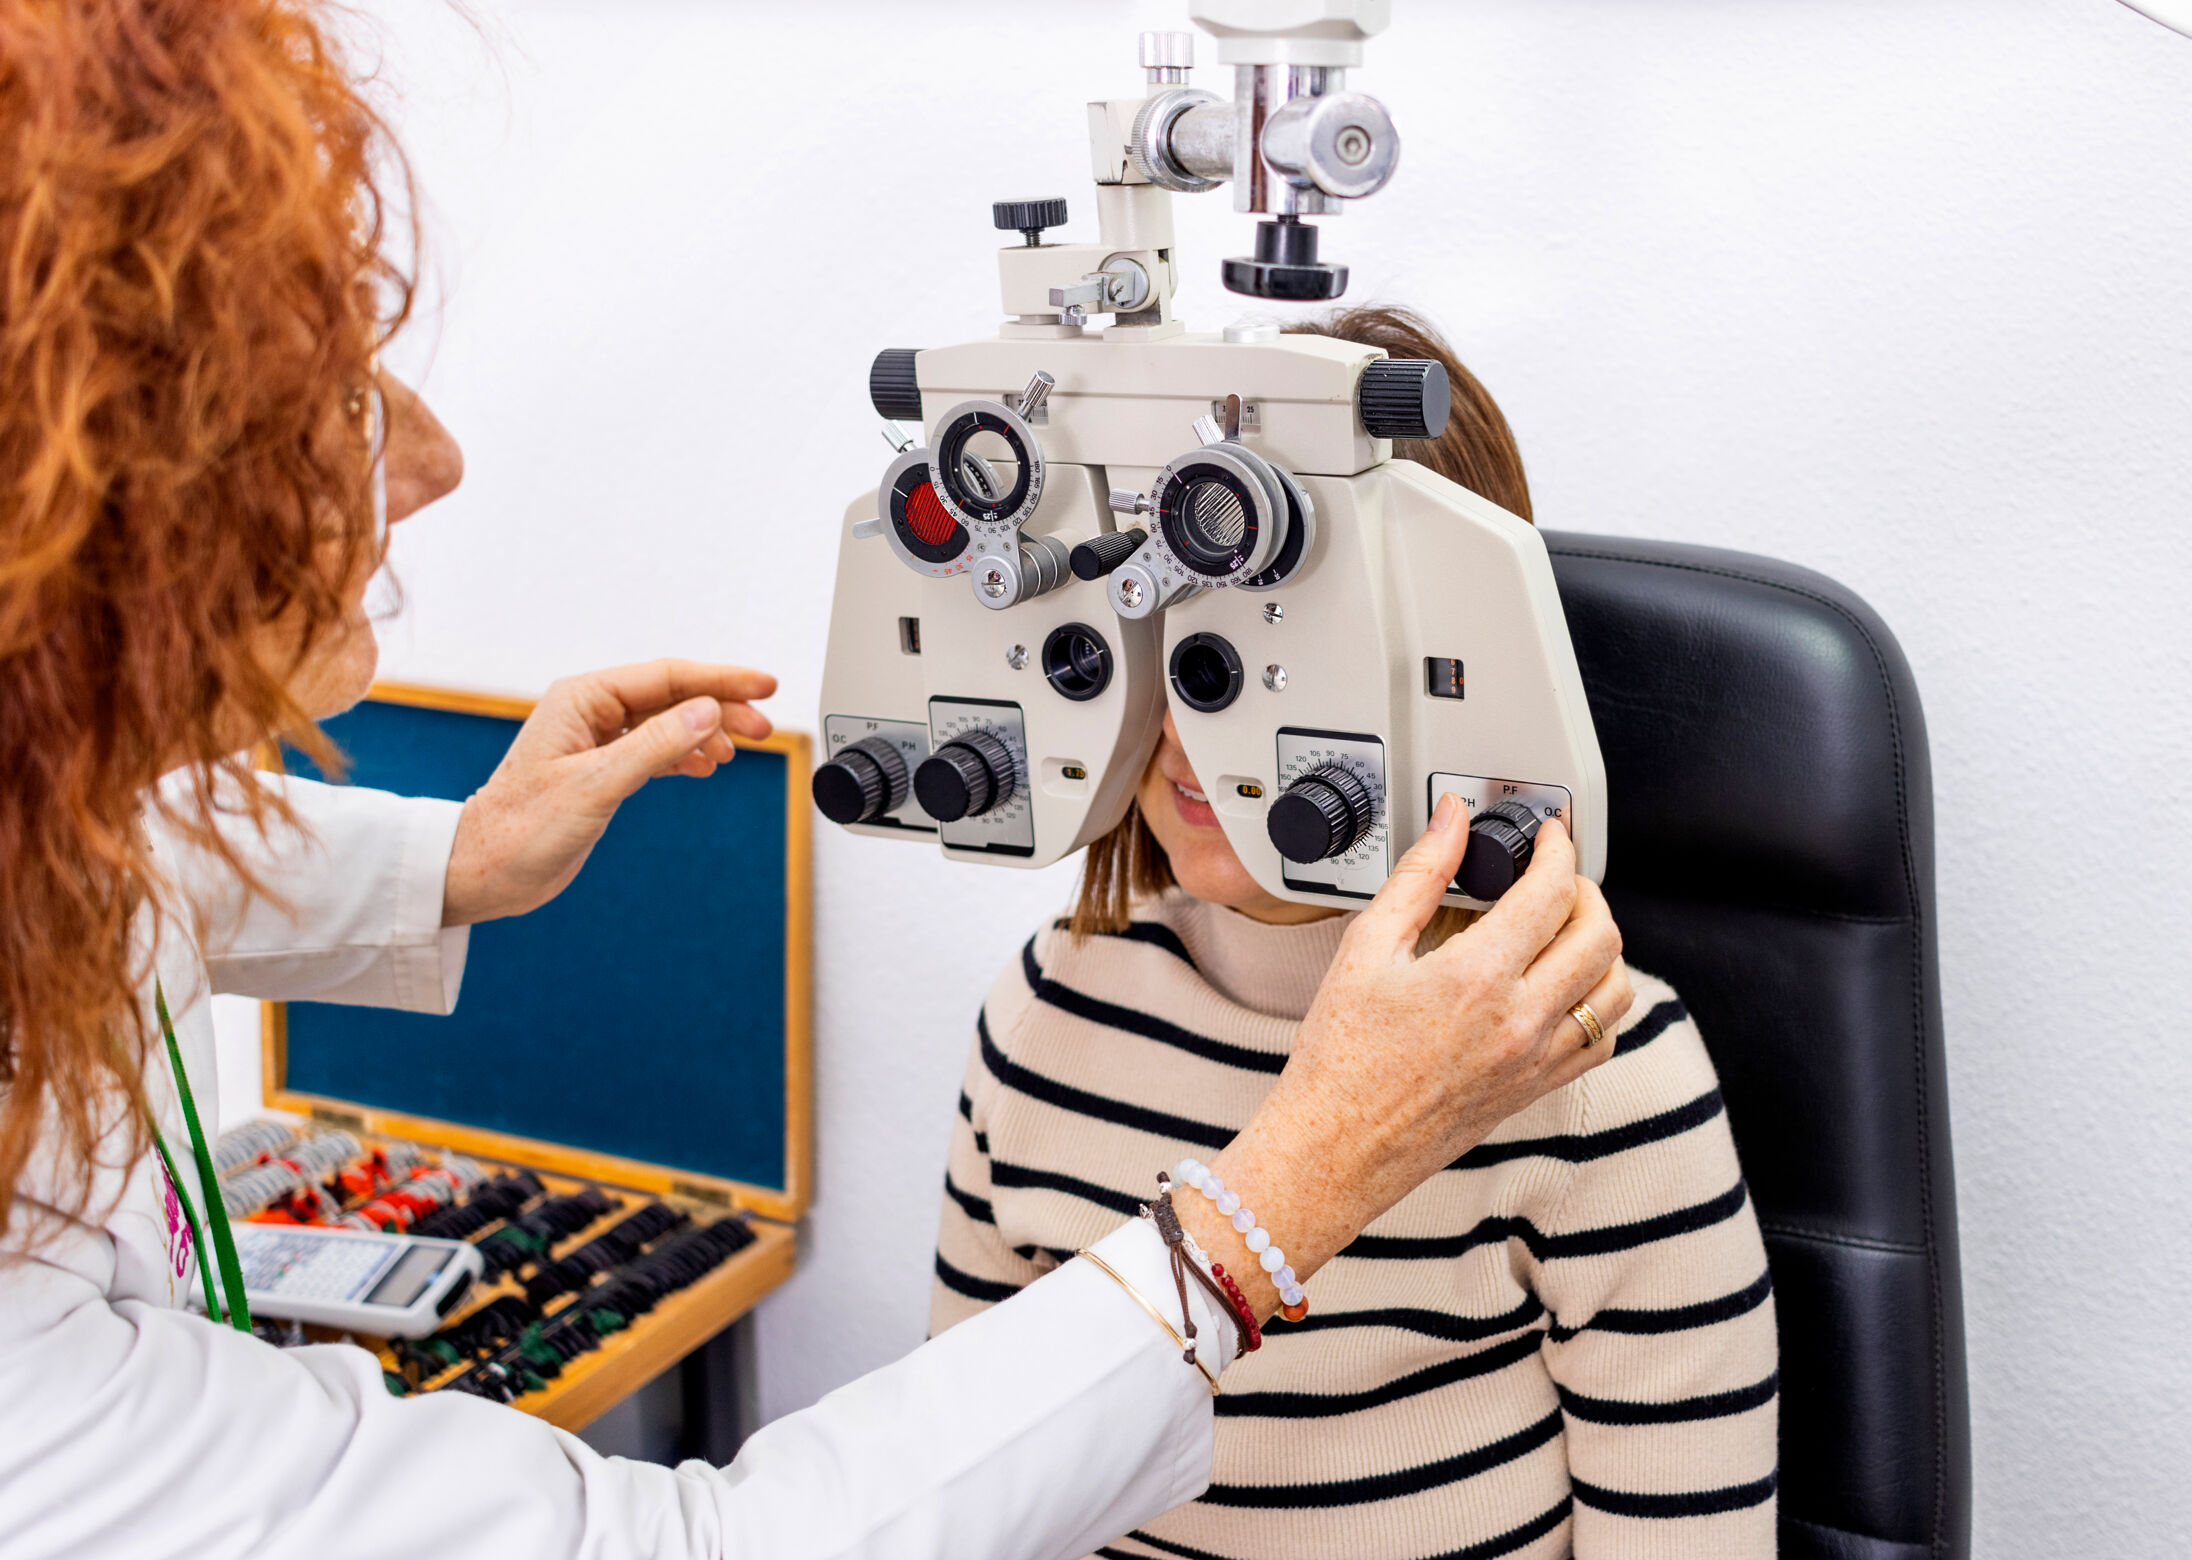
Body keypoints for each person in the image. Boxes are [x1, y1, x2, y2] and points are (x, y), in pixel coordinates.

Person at [0, 7, 1638, 1559]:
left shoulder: (1607, 1086)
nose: (432, 465)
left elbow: (83, 865)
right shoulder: (1051, 1024)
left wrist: (459, 861)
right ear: (84, 531)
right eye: (334, 407)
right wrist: (1278, 1203)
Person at [932, 309, 1778, 1559]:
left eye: (1272, 654)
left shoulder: (1593, 1067)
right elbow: (958, 1485)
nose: (1187, 720)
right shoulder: (1047, 1009)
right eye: (1164, 641)